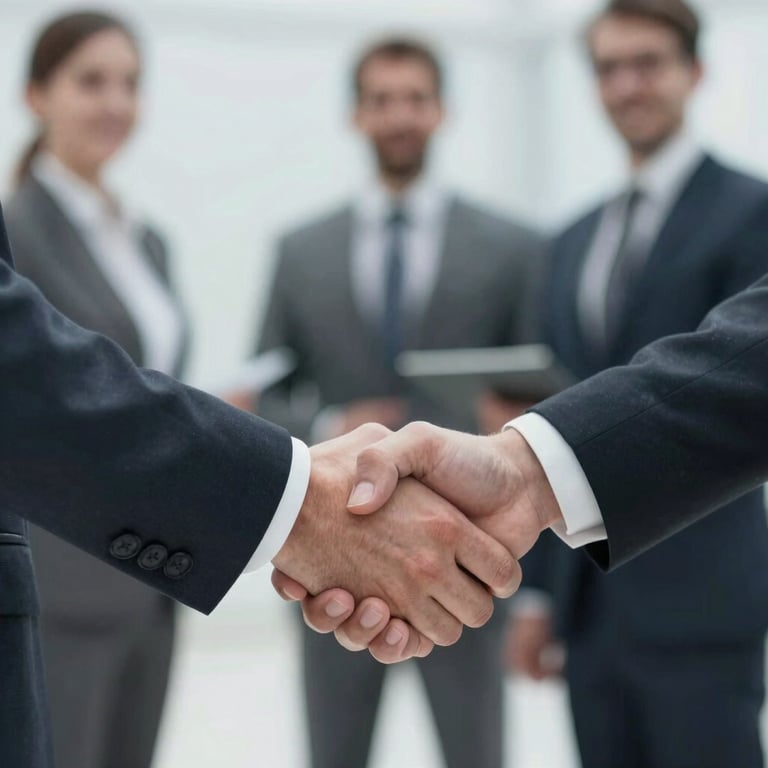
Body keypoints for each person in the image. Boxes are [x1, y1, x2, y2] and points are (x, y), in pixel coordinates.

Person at [0, 206, 519, 766]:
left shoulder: (148, 239)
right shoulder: (303, 250)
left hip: (151, 568)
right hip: (82, 569)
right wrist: (295, 503)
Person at [254, 36, 542, 768]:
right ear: (357, 116)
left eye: (415, 98)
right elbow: (260, 399)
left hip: (468, 557)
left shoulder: (512, 248)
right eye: (382, 100)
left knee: (476, 752)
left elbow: (540, 401)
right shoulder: (300, 250)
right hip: (334, 561)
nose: (399, 116)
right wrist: (328, 425)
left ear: (441, 110)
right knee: (335, 753)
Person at [505, 1, 768, 766]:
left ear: (695, 71)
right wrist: (539, 595)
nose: (627, 85)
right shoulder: (570, 240)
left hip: (701, 602)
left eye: (647, 62)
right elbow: (564, 405)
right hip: (592, 607)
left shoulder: (753, 212)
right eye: (609, 68)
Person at [5, 13, 188, 768]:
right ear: (36, 95)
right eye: (92, 81)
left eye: (130, 84)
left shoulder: (145, 240)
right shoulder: (17, 231)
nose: (116, 102)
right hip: (63, 578)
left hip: (155, 573)